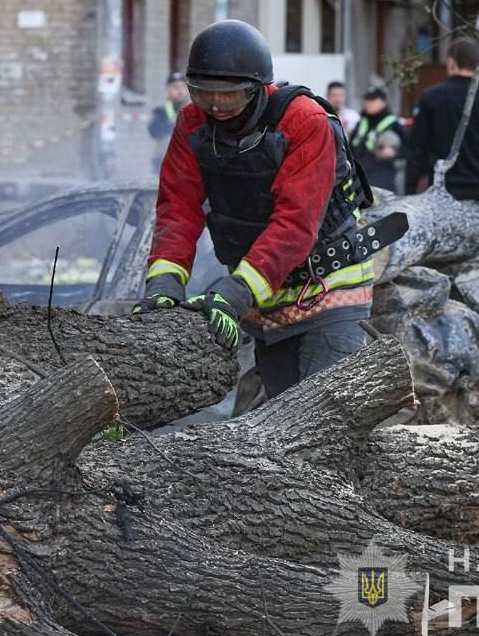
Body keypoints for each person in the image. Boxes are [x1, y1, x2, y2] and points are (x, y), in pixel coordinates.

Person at [133, 20, 377, 400]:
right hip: (265, 300)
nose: (215, 106)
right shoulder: (192, 125)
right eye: (203, 94)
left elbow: (294, 224)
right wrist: (164, 282)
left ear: (256, 88)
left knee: (327, 421)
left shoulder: (304, 121)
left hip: (329, 289)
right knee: (282, 424)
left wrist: (236, 291)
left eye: (228, 97)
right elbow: (177, 208)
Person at [404, 37, 479, 212]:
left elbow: (416, 151)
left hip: (442, 192)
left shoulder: (431, 98)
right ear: (478, 66)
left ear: (451, 62)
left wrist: (408, 195)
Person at [351, 86, 407, 192]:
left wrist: (395, 153)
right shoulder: (362, 122)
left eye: (373, 100)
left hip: (383, 178)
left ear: (383, 102)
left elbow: (411, 147)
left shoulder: (393, 123)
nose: (368, 103)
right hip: (359, 178)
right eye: (367, 100)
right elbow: (351, 146)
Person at [148, 72, 190, 173]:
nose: (180, 90)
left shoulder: (194, 111)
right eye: (175, 87)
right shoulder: (160, 112)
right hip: (164, 162)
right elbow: (154, 132)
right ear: (168, 90)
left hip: (188, 163)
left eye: (183, 87)